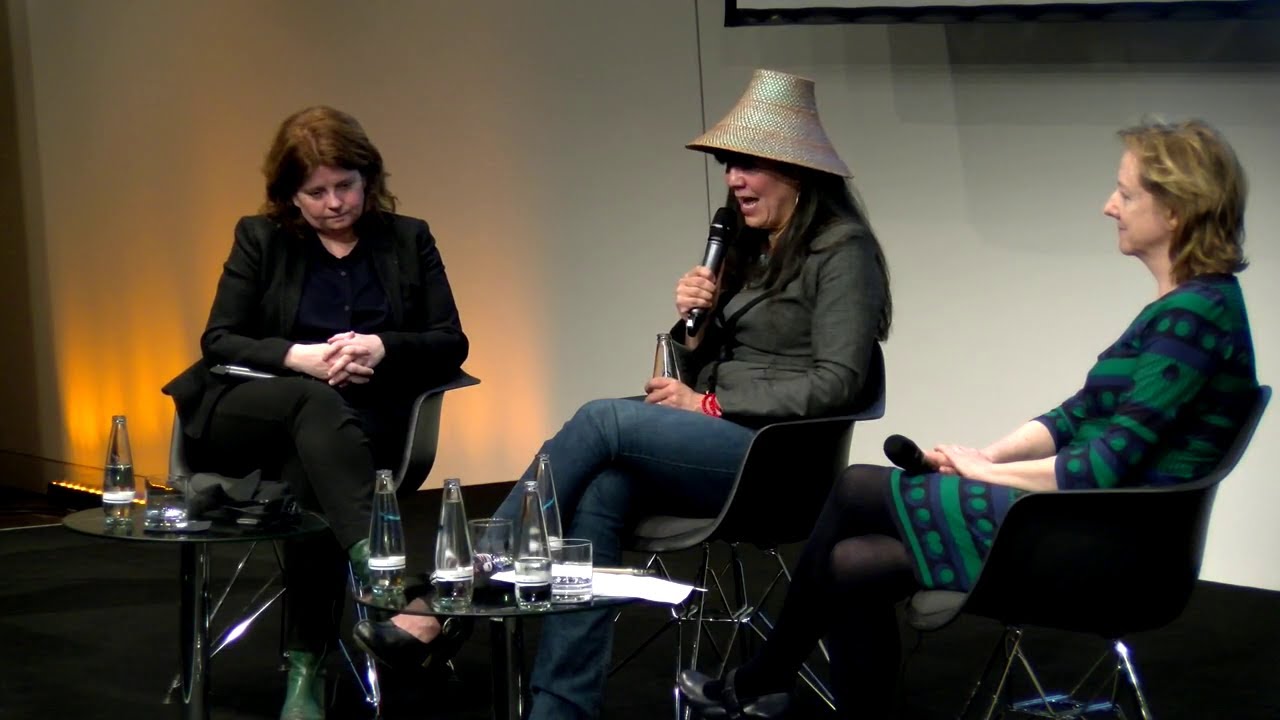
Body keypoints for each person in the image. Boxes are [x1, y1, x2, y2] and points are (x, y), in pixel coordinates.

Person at [679, 118, 1260, 719]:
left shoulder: (1193, 317)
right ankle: (781, 685)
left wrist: (981, 476)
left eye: (1128, 193)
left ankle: (762, 677)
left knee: (857, 487)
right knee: (854, 564)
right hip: (1085, 519)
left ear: (1176, 211)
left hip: (1114, 545)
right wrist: (989, 456)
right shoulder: (1187, 306)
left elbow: (1102, 466)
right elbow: (1078, 415)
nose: (1109, 206)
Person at [356, 68, 892, 719]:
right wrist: (697, 327)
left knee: (603, 421)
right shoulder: (751, 249)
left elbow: (838, 383)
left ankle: (453, 587)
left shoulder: (844, 251)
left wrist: (711, 405)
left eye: (748, 167)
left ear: (798, 171)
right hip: (714, 444)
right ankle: (560, 707)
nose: (733, 181)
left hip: (779, 463)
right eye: (730, 166)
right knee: (602, 492)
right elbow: (716, 363)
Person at [161, 106, 469, 720]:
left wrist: (382, 347)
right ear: (290, 195)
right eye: (316, 192)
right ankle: (391, 586)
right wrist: (300, 358)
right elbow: (219, 340)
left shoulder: (408, 238)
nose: (335, 203)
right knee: (314, 403)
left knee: (315, 468)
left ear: (368, 178)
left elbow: (450, 341)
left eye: (346, 185)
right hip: (256, 410)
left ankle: (304, 669)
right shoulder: (261, 237)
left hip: (360, 424)